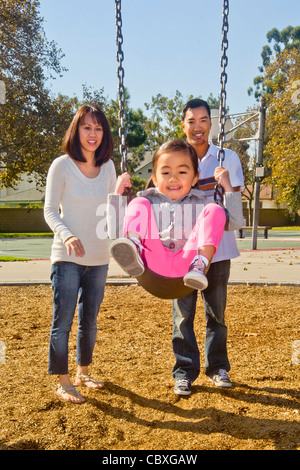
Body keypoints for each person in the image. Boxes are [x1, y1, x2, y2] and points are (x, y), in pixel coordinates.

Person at [170, 98, 245, 395]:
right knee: (182, 315)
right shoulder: (175, 158)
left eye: (203, 120)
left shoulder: (228, 158)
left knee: (216, 315)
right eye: (191, 121)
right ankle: (184, 371)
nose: (197, 127)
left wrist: (226, 185)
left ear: (211, 123)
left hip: (219, 250)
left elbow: (235, 218)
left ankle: (217, 367)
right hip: (183, 250)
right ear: (184, 124)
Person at [44, 105, 116, 403]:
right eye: (87, 127)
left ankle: (83, 371)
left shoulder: (109, 166)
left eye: (98, 128)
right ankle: (63, 381)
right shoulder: (61, 165)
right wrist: (67, 234)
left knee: (91, 319)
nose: (93, 134)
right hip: (67, 257)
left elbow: (113, 211)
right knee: (63, 320)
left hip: (99, 257)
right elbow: (49, 210)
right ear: (77, 130)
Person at [109, 140, 242, 295]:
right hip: (151, 262)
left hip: (187, 265)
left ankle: (201, 263)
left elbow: (235, 222)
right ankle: (134, 246)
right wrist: (117, 193)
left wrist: (228, 187)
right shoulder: (149, 202)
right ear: (155, 178)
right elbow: (115, 232)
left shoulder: (201, 203)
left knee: (214, 209)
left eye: (182, 172)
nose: (173, 178)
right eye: (165, 173)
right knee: (139, 202)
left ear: (194, 178)